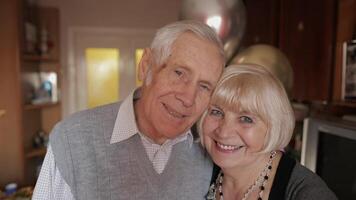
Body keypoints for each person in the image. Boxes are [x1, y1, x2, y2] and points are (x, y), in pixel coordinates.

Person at [32, 20, 226, 200]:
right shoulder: (72, 139)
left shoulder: (210, 152)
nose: (188, 98)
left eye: (204, 86)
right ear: (146, 65)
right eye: (179, 73)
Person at [198, 64, 338, 200]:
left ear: (274, 127)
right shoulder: (193, 165)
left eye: (246, 119)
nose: (224, 132)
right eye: (216, 112)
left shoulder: (307, 193)